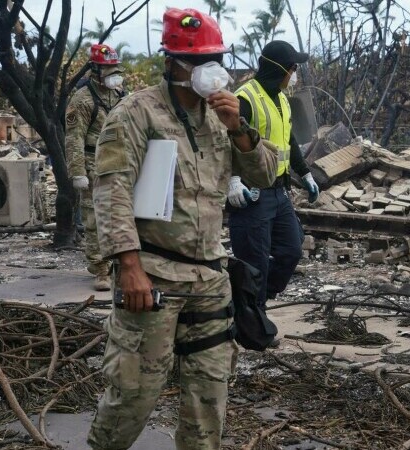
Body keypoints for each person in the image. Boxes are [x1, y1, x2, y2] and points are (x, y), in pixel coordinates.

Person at [87, 8, 277, 450]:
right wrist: (128, 266)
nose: (211, 70)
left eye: (216, 59)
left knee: (209, 396)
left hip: (210, 280)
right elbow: (112, 191)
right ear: (172, 63)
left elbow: (266, 174)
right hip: (154, 277)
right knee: (134, 392)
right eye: (200, 61)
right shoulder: (136, 114)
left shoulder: (223, 117)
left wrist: (240, 129)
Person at [229, 41, 318, 341]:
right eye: (292, 69)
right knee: (253, 262)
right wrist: (231, 180)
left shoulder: (280, 99)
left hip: (278, 194)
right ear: (280, 69)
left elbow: (288, 141)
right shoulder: (245, 98)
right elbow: (221, 141)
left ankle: (246, 305)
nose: (294, 75)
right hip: (251, 194)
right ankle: (253, 325)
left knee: (292, 249)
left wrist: (304, 173)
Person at [65, 43, 125, 291]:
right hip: (92, 164)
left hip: (120, 163)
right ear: (95, 69)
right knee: (94, 220)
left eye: (115, 68)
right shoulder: (82, 99)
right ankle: (100, 268)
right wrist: (78, 172)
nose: (113, 73)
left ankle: (118, 265)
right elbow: (74, 138)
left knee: (120, 216)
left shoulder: (120, 94)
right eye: (108, 69)